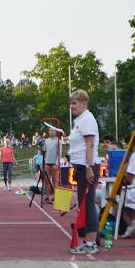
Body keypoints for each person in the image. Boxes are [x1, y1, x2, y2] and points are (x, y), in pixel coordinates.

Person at [67, 89, 101, 255]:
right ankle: (89, 240)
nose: (71, 106)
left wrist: (88, 167)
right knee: (84, 204)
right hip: (80, 166)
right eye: (71, 103)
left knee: (88, 205)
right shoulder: (80, 120)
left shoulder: (87, 119)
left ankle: (91, 242)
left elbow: (90, 145)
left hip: (88, 166)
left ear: (83, 103)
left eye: (74, 103)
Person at [43, 129, 60, 203]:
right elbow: (44, 152)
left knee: (55, 180)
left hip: (54, 163)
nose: (51, 132)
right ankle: (47, 197)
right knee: (46, 180)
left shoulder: (58, 141)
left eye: (53, 131)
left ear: (56, 132)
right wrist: (43, 163)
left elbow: (59, 153)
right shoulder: (46, 141)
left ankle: (55, 197)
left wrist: (56, 163)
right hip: (47, 162)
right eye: (50, 130)